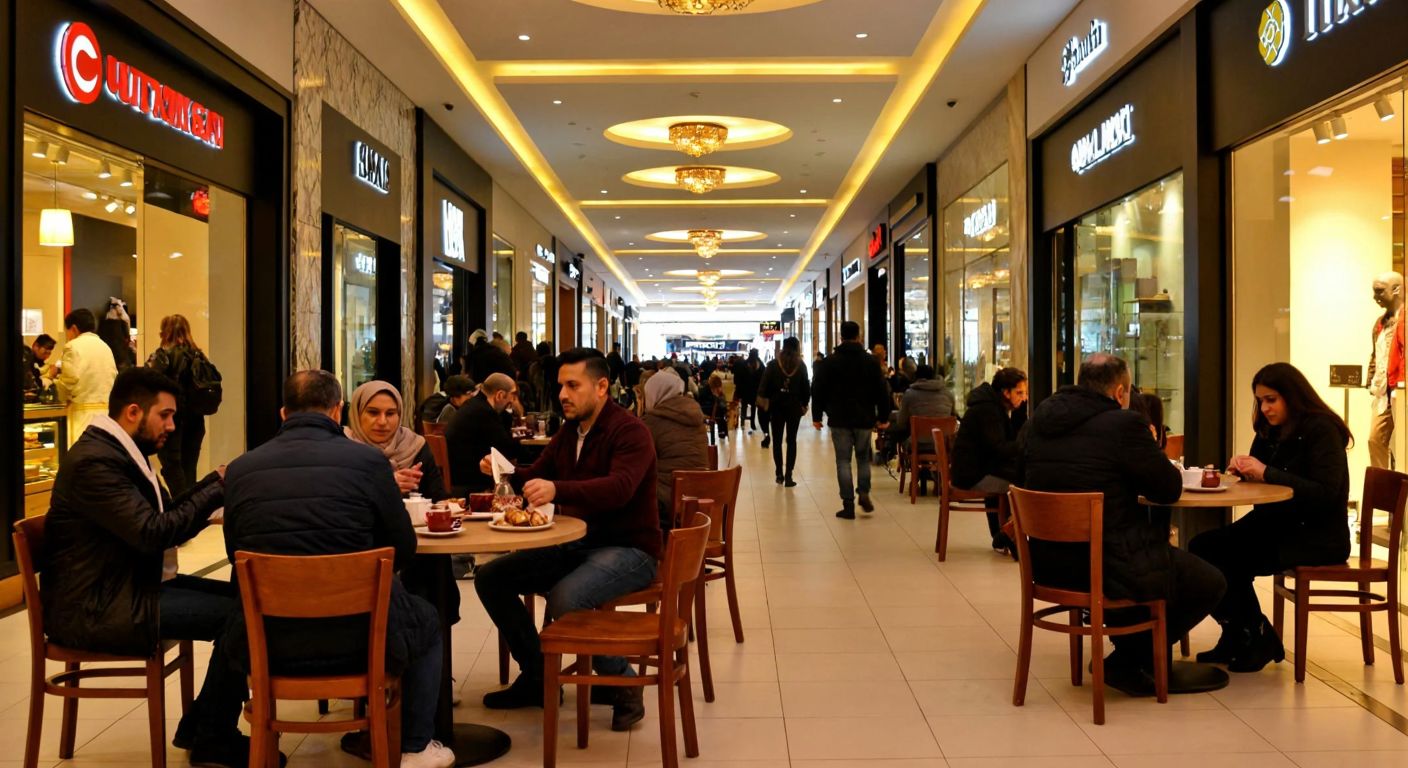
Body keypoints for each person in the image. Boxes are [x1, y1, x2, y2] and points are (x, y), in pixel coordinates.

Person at [223, 371, 451, 768]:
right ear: (339, 411)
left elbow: (234, 553)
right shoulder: (367, 463)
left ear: (283, 413)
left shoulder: (242, 468)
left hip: (269, 643)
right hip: (362, 639)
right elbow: (404, 548)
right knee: (429, 618)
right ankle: (416, 747)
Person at [43, 367, 250, 765]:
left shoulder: (119, 451)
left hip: (124, 585)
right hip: (97, 607)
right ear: (134, 412)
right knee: (242, 617)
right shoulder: (96, 463)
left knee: (245, 601)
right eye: (166, 415)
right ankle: (212, 737)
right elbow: (154, 532)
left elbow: (163, 516)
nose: (172, 426)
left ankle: (203, 727)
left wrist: (213, 483)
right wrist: (217, 489)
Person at [472, 348, 660, 732]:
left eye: (573, 385)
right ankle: (539, 675)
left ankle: (623, 683)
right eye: (561, 386)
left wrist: (558, 489)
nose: (562, 394)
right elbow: (535, 475)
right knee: (491, 578)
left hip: (630, 548)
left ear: (602, 386)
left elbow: (619, 489)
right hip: (577, 545)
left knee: (567, 597)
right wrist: (503, 471)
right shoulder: (568, 433)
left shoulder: (630, 432)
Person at [1023, 354, 1225, 695]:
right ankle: (1132, 659)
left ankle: (1133, 653)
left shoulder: (1037, 422)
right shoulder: (1122, 425)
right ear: (1120, 392)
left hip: (1049, 563)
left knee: (1155, 563)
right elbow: (1167, 489)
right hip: (1107, 565)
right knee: (1209, 581)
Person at [1189, 362, 1352, 672]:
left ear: (1292, 396)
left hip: (1315, 535)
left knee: (1225, 558)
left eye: (1271, 400)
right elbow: (1262, 474)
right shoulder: (1269, 430)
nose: (1264, 408)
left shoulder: (1322, 430)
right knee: (1201, 549)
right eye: (1260, 400)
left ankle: (1255, 634)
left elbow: (1326, 494)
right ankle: (1241, 632)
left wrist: (1265, 472)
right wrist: (1244, 469)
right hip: (1275, 524)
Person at [812, 321, 891, 519]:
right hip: (864, 417)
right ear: (859, 336)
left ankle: (848, 504)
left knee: (843, 461)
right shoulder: (871, 362)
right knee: (863, 458)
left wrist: (817, 416)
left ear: (841, 337)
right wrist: (883, 417)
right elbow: (882, 391)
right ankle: (863, 492)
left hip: (839, 418)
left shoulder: (829, 362)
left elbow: (818, 389)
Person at [951, 367, 1028, 552]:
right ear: (1005, 392)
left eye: (1025, 393)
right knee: (1024, 482)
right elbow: (999, 449)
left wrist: (1019, 414)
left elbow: (1006, 444)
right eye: (1019, 392)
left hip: (980, 468)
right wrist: (1027, 445)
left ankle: (1002, 533)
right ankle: (1009, 534)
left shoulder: (994, 407)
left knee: (1020, 474)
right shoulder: (988, 411)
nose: (1024, 397)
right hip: (973, 475)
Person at [145, 314, 212, 496]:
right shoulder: (200, 356)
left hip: (171, 420)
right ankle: (191, 506)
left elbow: (147, 382)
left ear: (164, 332)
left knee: (172, 466)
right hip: (196, 421)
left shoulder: (161, 356)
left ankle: (183, 507)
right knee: (189, 466)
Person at [641, 368, 708, 529]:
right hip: (701, 496)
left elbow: (638, 466)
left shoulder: (652, 422)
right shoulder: (694, 413)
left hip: (668, 501)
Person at [445, 373, 519, 494]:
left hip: (456, 479)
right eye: (513, 395)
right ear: (500, 395)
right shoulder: (485, 413)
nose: (513, 400)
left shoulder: (472, 406)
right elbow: (507, 451)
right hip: (470, 484)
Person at [55, 308, 118, 447]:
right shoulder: (105, 347)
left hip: (82, 415)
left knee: (82, 456)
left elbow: (68, 383)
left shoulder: (73, 346)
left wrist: (56, 386)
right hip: (106, 414)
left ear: (74, 328)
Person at [760, 336, 810, 487]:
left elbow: (763, 387)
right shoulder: (801, 366)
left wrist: (766, 402)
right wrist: (804, 404)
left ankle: (779, 474)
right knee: (791, 441)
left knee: (777, 441)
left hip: (776, 408)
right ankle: (789, 475)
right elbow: (806, 389)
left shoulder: (773, 365)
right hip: (794, 408)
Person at [887, 363, 956, 456]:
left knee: (896, 430)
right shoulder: (948, 394)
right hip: (943, 442)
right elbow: (953, 416)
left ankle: (891, 455)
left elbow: (901, 421)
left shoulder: (910, 394)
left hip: (918, 442)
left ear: (916, 377)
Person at [697, 372, 729, 442]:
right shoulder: (707, 391)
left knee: (721, 412)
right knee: (721, 414)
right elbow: (721, 403)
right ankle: (722, 433)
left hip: (704, 410)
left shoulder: (703, 389)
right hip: (709, 410)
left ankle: (722, 433)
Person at [737, 349, 762, 434]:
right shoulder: (760, 364)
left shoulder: (744, 364)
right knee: (752, 407)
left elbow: (739, 379)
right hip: (753, 389)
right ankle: (751, 423)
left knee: (745, 406)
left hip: (746, 389)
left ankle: (744, 423)